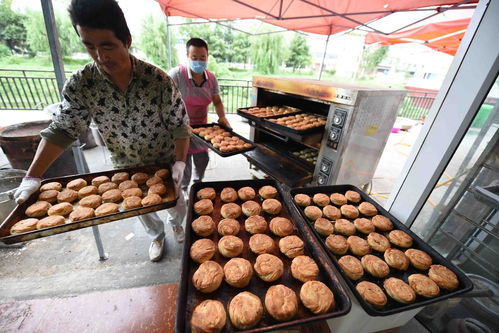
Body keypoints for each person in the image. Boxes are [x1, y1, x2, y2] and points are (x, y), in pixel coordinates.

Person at [13, 0, 191, 262]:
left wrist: (180, 162)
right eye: (89, 46)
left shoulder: (158, 81)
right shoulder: (82, 84)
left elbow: (180, 126)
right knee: (139, 208)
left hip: (162, 162)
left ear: (126, 41)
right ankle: (156, 236)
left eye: (107, 45)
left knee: (176, 204)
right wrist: (32, 177)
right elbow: (63, 129)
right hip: (124, 164)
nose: (100, 56)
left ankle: (176, 223)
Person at [167, 38, 231, 193]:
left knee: (203, 160)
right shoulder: (177, 75)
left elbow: (217, 101)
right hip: (181, 129)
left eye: (202, 57)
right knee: (184, 162)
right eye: (194, 57)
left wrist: (222, 117)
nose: (199, 61)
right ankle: (184, 190)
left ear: (207, 57)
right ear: (187, 57)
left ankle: (198, 184)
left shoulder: (211, 78)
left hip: (203, 128)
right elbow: (164, 102)